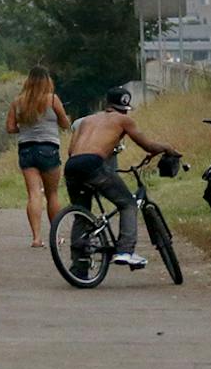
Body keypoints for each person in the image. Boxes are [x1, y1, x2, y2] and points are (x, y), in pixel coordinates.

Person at [64, 87, 176, 269]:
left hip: (72, 165)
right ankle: (125, 250)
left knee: (81, 214)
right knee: (128, 204)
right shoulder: (124, 120)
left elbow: (71, 151)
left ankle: (79, 266)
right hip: (93, 164)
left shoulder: (87, 120)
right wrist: (167, 148)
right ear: (124, 107)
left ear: (107, 104)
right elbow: (147, 145)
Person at [5, 66, 70, 248]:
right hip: (48, 148)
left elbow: (10, 128)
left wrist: (25, 129)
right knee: (52, 194)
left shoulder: (18, 102)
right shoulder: (52, 99)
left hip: (26, 150)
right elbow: (65, 123)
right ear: (47, 81)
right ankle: (55, 236)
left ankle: (36, 238)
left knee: (34, 194)